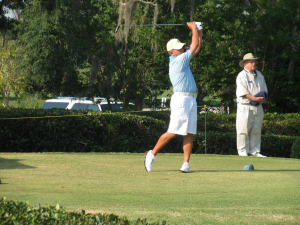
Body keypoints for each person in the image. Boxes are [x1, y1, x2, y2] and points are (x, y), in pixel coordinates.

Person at [144, 21, 203, 173]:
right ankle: (152, 154)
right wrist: (193, 29)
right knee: (173, 131)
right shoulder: (178, 61)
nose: (182, 49)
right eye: (178, 48)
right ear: (172, 52)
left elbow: (197, 46)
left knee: (190, 132)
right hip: (181, 100)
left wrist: (199, 30)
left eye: (181, 47)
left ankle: (186, 164)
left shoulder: (181, 59)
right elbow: (194, 43)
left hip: (191, 99)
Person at [236, 53, 268, 157]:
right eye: (251, 61)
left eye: (254, 61)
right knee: (243, 129)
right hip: (245, 106)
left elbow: (264, 90)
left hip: (258, 106)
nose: (253, 63)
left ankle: (255, 151)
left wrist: (263, 99)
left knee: (256, 130)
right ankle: (242, 151)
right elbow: (243, 92)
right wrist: (254, 98)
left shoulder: (259, 75)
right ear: (245, 63)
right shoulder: (242, 75)